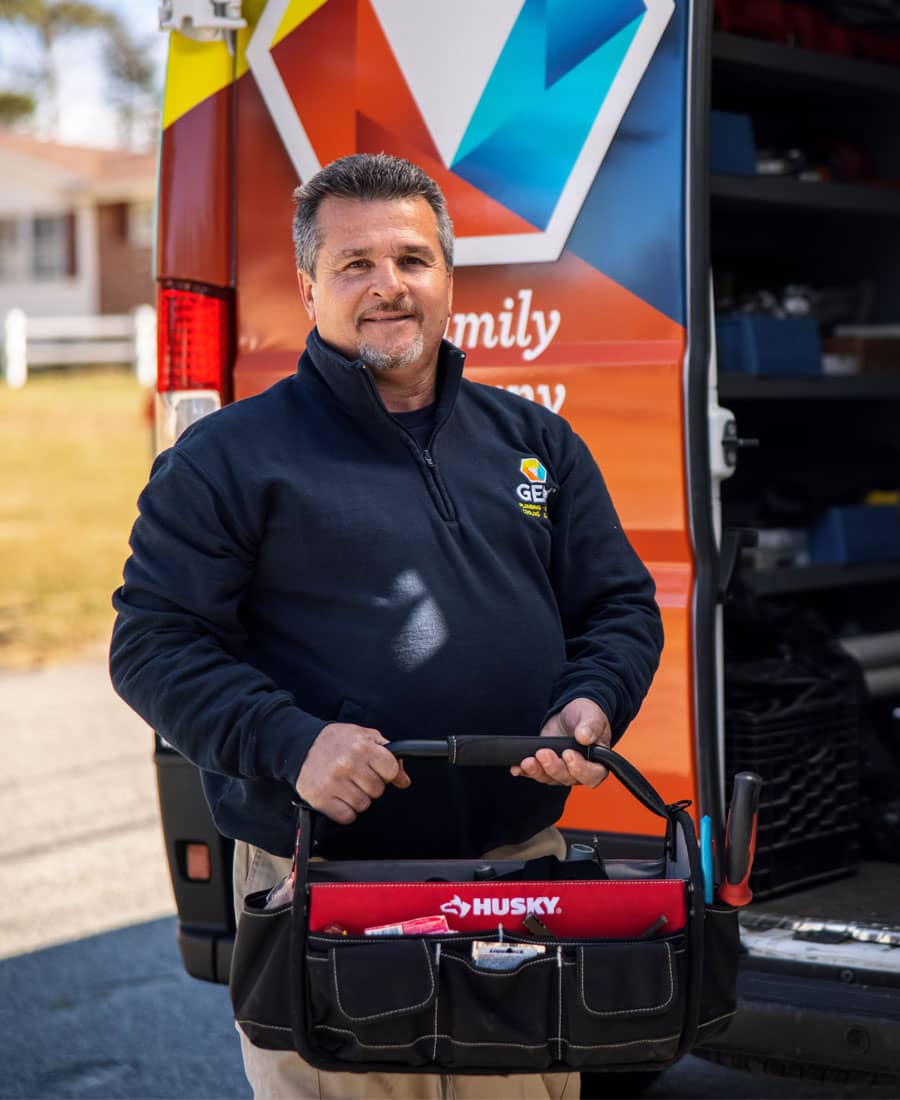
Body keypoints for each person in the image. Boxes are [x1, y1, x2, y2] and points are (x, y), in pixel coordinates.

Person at [110, 152, 664, 1100]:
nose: (387, 287)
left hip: (514, 879)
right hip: (327, 886)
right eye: (355, 264)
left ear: (448, 278)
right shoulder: (227, 458)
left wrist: (591, 700)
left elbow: (618, 606)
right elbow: (153, 644)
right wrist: (294, 743)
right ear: (308, 285)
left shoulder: (535, 443)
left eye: (411, 259)